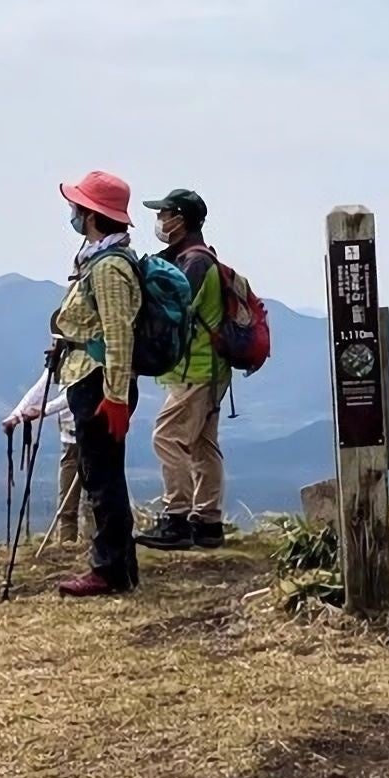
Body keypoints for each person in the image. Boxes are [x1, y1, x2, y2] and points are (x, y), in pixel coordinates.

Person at [51, 170, 142, 597]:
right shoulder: (106, 260)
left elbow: (118, 334)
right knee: (104, 475)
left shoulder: (107, 269)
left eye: (77, 207)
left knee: (102, 478)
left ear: (90, 215)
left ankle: (108, 570)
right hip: (98, 382)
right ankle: (120, 566)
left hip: (98, 384)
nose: (72, 213)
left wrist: (115, 397)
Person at [135, 189, 232, 552]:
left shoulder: (194, 262)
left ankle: (176, 518)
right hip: (210, 367)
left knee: (167, 436)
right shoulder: (198, 257)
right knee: (203, 443)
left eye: (165, 213)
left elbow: (172, 309)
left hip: (196, 366)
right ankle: (208, 523)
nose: (160, 221)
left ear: (181, 219)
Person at [2, 369, 93, 545]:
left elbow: (79, 392)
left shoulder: (88, 357)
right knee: (67, 505)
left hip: (93, 437)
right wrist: (17, 415)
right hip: (69, 440)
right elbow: (42, 385)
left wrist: (44, 409)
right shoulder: (64, 354)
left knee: (92, 503)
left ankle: (94, 551)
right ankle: (67, 548)